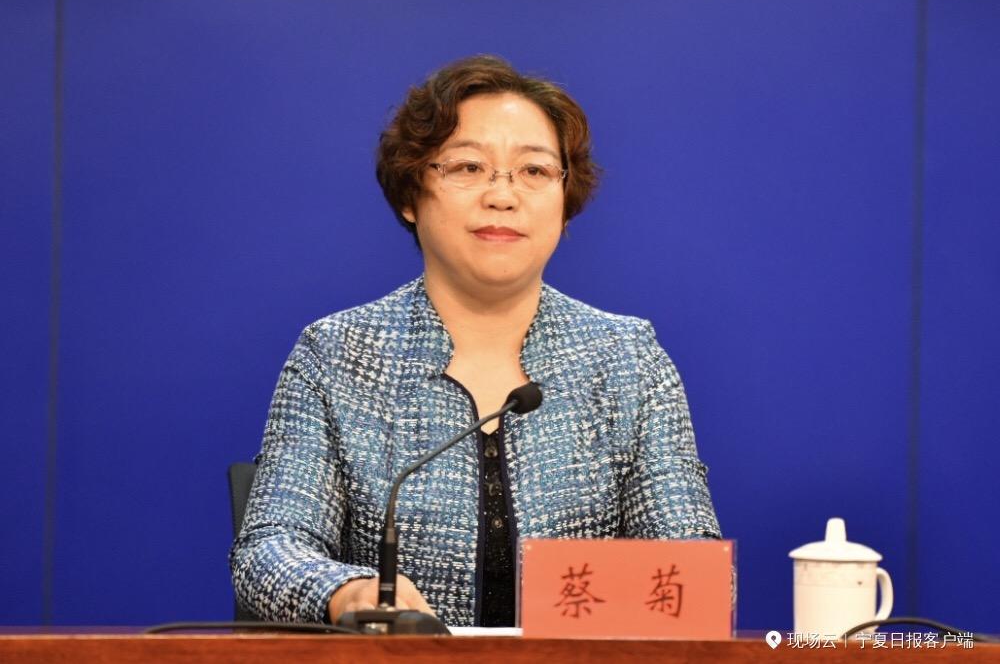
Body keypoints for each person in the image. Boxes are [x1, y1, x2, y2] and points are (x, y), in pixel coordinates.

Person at [229, 55, 721, 628]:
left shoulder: (627, 360)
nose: (502, 196)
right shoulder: (338, 355)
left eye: (534, 171)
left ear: (565, 203)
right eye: (469, 167)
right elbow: (269, 549)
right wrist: (348, 591)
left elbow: (692, 564)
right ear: (411, 195)